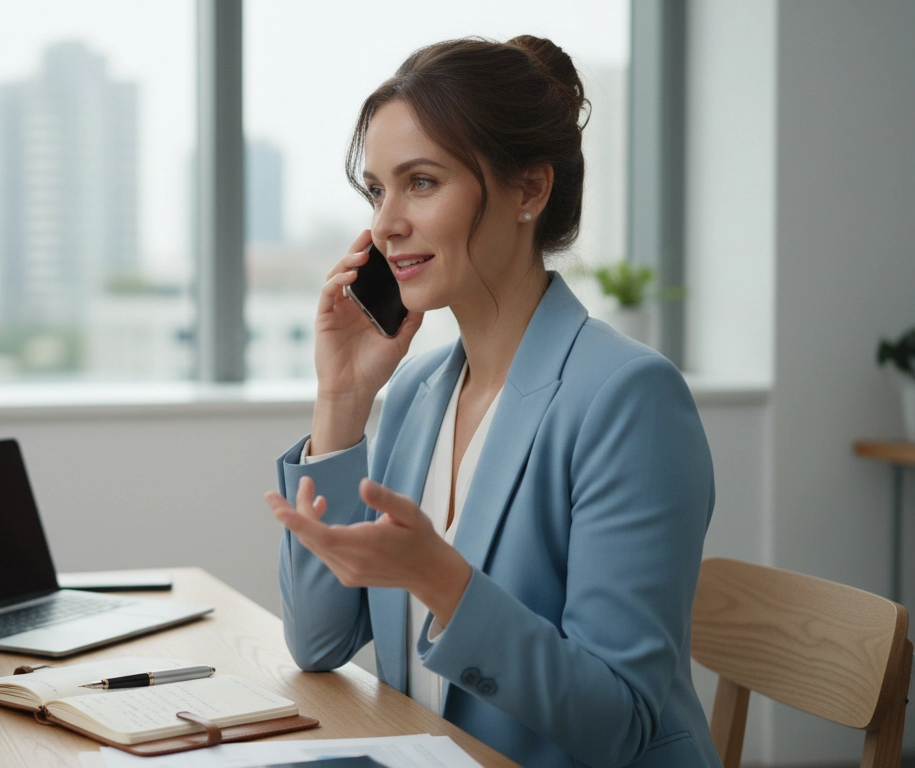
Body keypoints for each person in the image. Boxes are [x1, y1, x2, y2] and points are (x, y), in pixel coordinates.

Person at [263, 36, 718, 768]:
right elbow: (317, 644)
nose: (385, 225)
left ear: (530, 192)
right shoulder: (415, 392)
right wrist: (342, 397)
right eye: (377, 190)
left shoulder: (629, 399)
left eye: (422, 183)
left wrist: (438, 577)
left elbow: (619, 724)